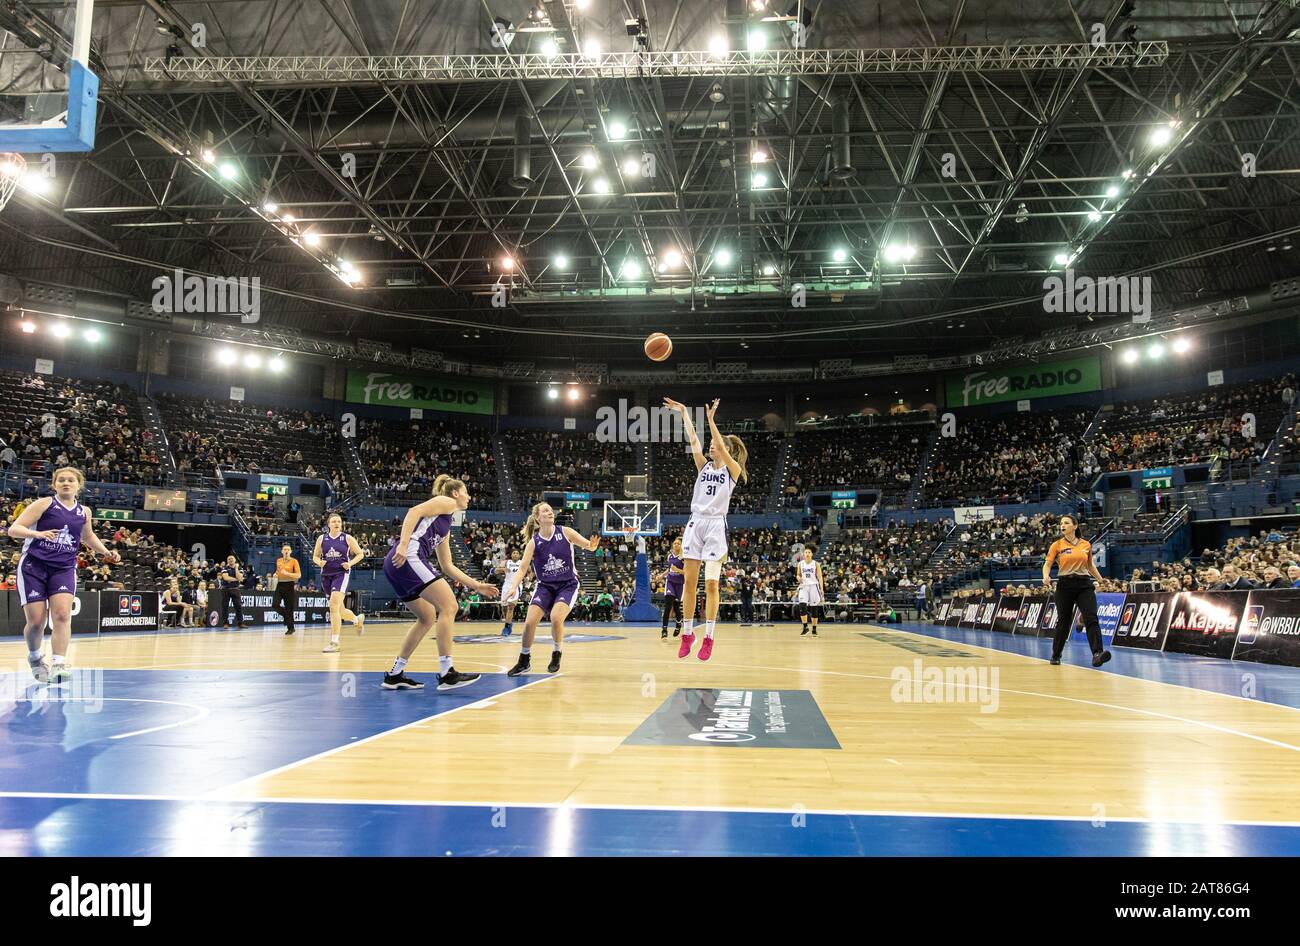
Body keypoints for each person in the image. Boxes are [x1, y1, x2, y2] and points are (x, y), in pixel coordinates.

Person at [381, 475, 499, 691]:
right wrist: (403, 544)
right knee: (449, 606)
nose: (469, 497)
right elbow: (413, 512)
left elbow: (447, 566)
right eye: (466, 492)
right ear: (455, 493)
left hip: (397, 564)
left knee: (426, 618)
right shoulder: (447, 502)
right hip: (408, 556)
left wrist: (477, 585)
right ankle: (447, 672)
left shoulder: (444, 526)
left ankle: (395, 673)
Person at [8, 467, 121, 683]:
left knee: (61, 615)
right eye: (61, 480)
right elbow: (14, 529)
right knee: (36, 622)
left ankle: (59, 663)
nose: (66, 483)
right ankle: (35, 657)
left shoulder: (84, 512)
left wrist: (107, 552)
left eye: (70, 480)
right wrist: (36, 533)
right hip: (34, 566)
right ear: (54, 484)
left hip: (64, 568)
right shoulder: (44, 504)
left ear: (79, 485)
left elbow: (87, 537)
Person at [662, 396, 748, 661]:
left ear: (727, 451)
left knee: (711, 585)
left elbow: (720, 443)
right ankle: (688, 634)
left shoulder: (732, 470)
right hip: (695, 523)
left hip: (715, 527)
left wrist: (711, 420)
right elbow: (693, 440)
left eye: (716, 445)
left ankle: (709, 638)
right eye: (711, 445)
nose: (712, 447)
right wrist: (685, 414)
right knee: (689, 582)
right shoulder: (703, 467)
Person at [501, 501, 600, 676]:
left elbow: (589, 546)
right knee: (530, 622)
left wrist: (593, 545)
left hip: (567, 584)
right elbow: (523, 568)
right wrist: (513, 586)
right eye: (545, 511)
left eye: (550, 510)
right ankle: (524, 660)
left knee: (555, 618)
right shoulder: (534, 542)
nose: (550, 513)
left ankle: (556, 653)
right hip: (545, 586)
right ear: (538, 518)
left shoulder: (565, 532)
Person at [1042, 515, 1110, 668]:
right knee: (1064, 622)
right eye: (1061, 523)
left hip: (1084, 584)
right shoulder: (1056, 545)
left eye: (1066, 523)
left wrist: (1100, 579)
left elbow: (1090, 566)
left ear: (1075, 526)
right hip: (1064, 585)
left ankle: (1097, 654)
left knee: (1091, 617)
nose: (1062, 525)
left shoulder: (1086, 544)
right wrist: (1046, 576)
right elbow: (1047, 564)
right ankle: (1056, 654)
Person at [313, 513, 366, 653]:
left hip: (340, 574)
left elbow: (360, 554)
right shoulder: (322, 538)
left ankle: (334, 642)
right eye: (334, 521)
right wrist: (320, 562)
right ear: (328, 524)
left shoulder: (347, 538)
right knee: (340, 611)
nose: (336, 523)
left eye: (339, 521)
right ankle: (356, 619)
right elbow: (315, 556)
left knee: (333, 606)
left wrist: (350, 563)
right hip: (326, 575)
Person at [653, 536, 685, 640]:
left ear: (681, 545)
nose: (676, 545)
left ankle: (678, 624)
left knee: (676, 607)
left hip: (680, 584)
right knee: (668, 606)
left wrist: (678, 570)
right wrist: (661, 575)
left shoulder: (684, 557)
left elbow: (687, 572)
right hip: (670, 581)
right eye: (675, 543)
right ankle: (664, 630)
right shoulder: (670, 556)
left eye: (678, 543)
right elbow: (669, 569)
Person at [795, 546, 825, 637]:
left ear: (812, 554)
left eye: (809, 552)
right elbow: (798, 575)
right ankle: (805, 627)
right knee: (802, 605)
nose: (807, 554)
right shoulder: (800, 564)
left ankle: (814, 629)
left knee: (814, 608)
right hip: (804, 586)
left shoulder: (816, 564)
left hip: (813, 586)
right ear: (803, 554)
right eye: (806, 552)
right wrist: (798, 578)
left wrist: (821, 589)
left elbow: (820, 577)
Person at [273, 543, 301, 635]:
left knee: (289, 608)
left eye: (288, 549)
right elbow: (278, 571)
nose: (286, 551)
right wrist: (276, 574)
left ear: (291, 551)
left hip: (289, 585)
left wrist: (287, 573)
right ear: (282, 551)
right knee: (275, 604)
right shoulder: (279, 560)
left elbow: (298, 575)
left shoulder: (294, 561)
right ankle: (286, 617)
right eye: (285, 549)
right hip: (280, 584)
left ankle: (291, 628)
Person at [218, 555, 249, 628]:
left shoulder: (240, 568)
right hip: (225, 589)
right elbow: (226, 578)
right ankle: (225, 623)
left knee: (238, 606)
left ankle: (240, 623)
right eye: (229, 559)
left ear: (235, 560)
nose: (230, 560)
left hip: (235, 589)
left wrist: (236, 568)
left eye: (232, 559)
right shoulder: (224, 568)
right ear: (227, 561)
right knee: (225, 606)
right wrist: (237, 579)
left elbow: (239, 577)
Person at [498, 550, 523, 637]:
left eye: (517, 553)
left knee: (510, 606)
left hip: (516, 585)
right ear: (511, 555)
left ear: (519, 555)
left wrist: (527, 578)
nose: (515, 554)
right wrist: (503, 569)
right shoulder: (506, 562)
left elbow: (530, 572)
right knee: (504, 608)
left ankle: (506, 627)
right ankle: (509, 622)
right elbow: (496, 570)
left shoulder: (522, 562)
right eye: (514, 553)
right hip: (506, 585)